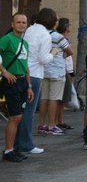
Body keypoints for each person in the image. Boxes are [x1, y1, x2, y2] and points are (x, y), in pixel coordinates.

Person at [14, 8, 59, 155]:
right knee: (29, 111)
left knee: (19, 111)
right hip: (34, 74)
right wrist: (54, 52)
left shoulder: (29, 29)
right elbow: (43, 59)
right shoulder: (45, 35)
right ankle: (26, 143)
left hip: (21, 71)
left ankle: (16, 143)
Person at [0, 13, 34, 162]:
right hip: (11, 81)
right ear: (12, 24)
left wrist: (29, 86)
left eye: (24, 22)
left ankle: (13, 149)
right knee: (15, 116)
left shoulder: (24, 43)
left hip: (22, 82)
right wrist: (4, 72)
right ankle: (8, 151)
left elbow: (25, 65)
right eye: (18, 22)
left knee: (18, 117)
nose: (21, 24)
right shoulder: (7, 39)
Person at [38, 17, 73, 135]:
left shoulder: (41, 35)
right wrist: (62, 53)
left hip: (44, 69)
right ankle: (51, 125)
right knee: (54, 98)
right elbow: (70, 51)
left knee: (44, 98)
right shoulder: (58, 36)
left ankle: (42, 124)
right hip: (57, 70)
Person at [56, 18, 74, 131]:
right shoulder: (63, 39)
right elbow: (67, 53)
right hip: (64, 69)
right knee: (62, 99)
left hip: (66, 68)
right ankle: (59, 121)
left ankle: (59, 121)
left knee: (62, 98)